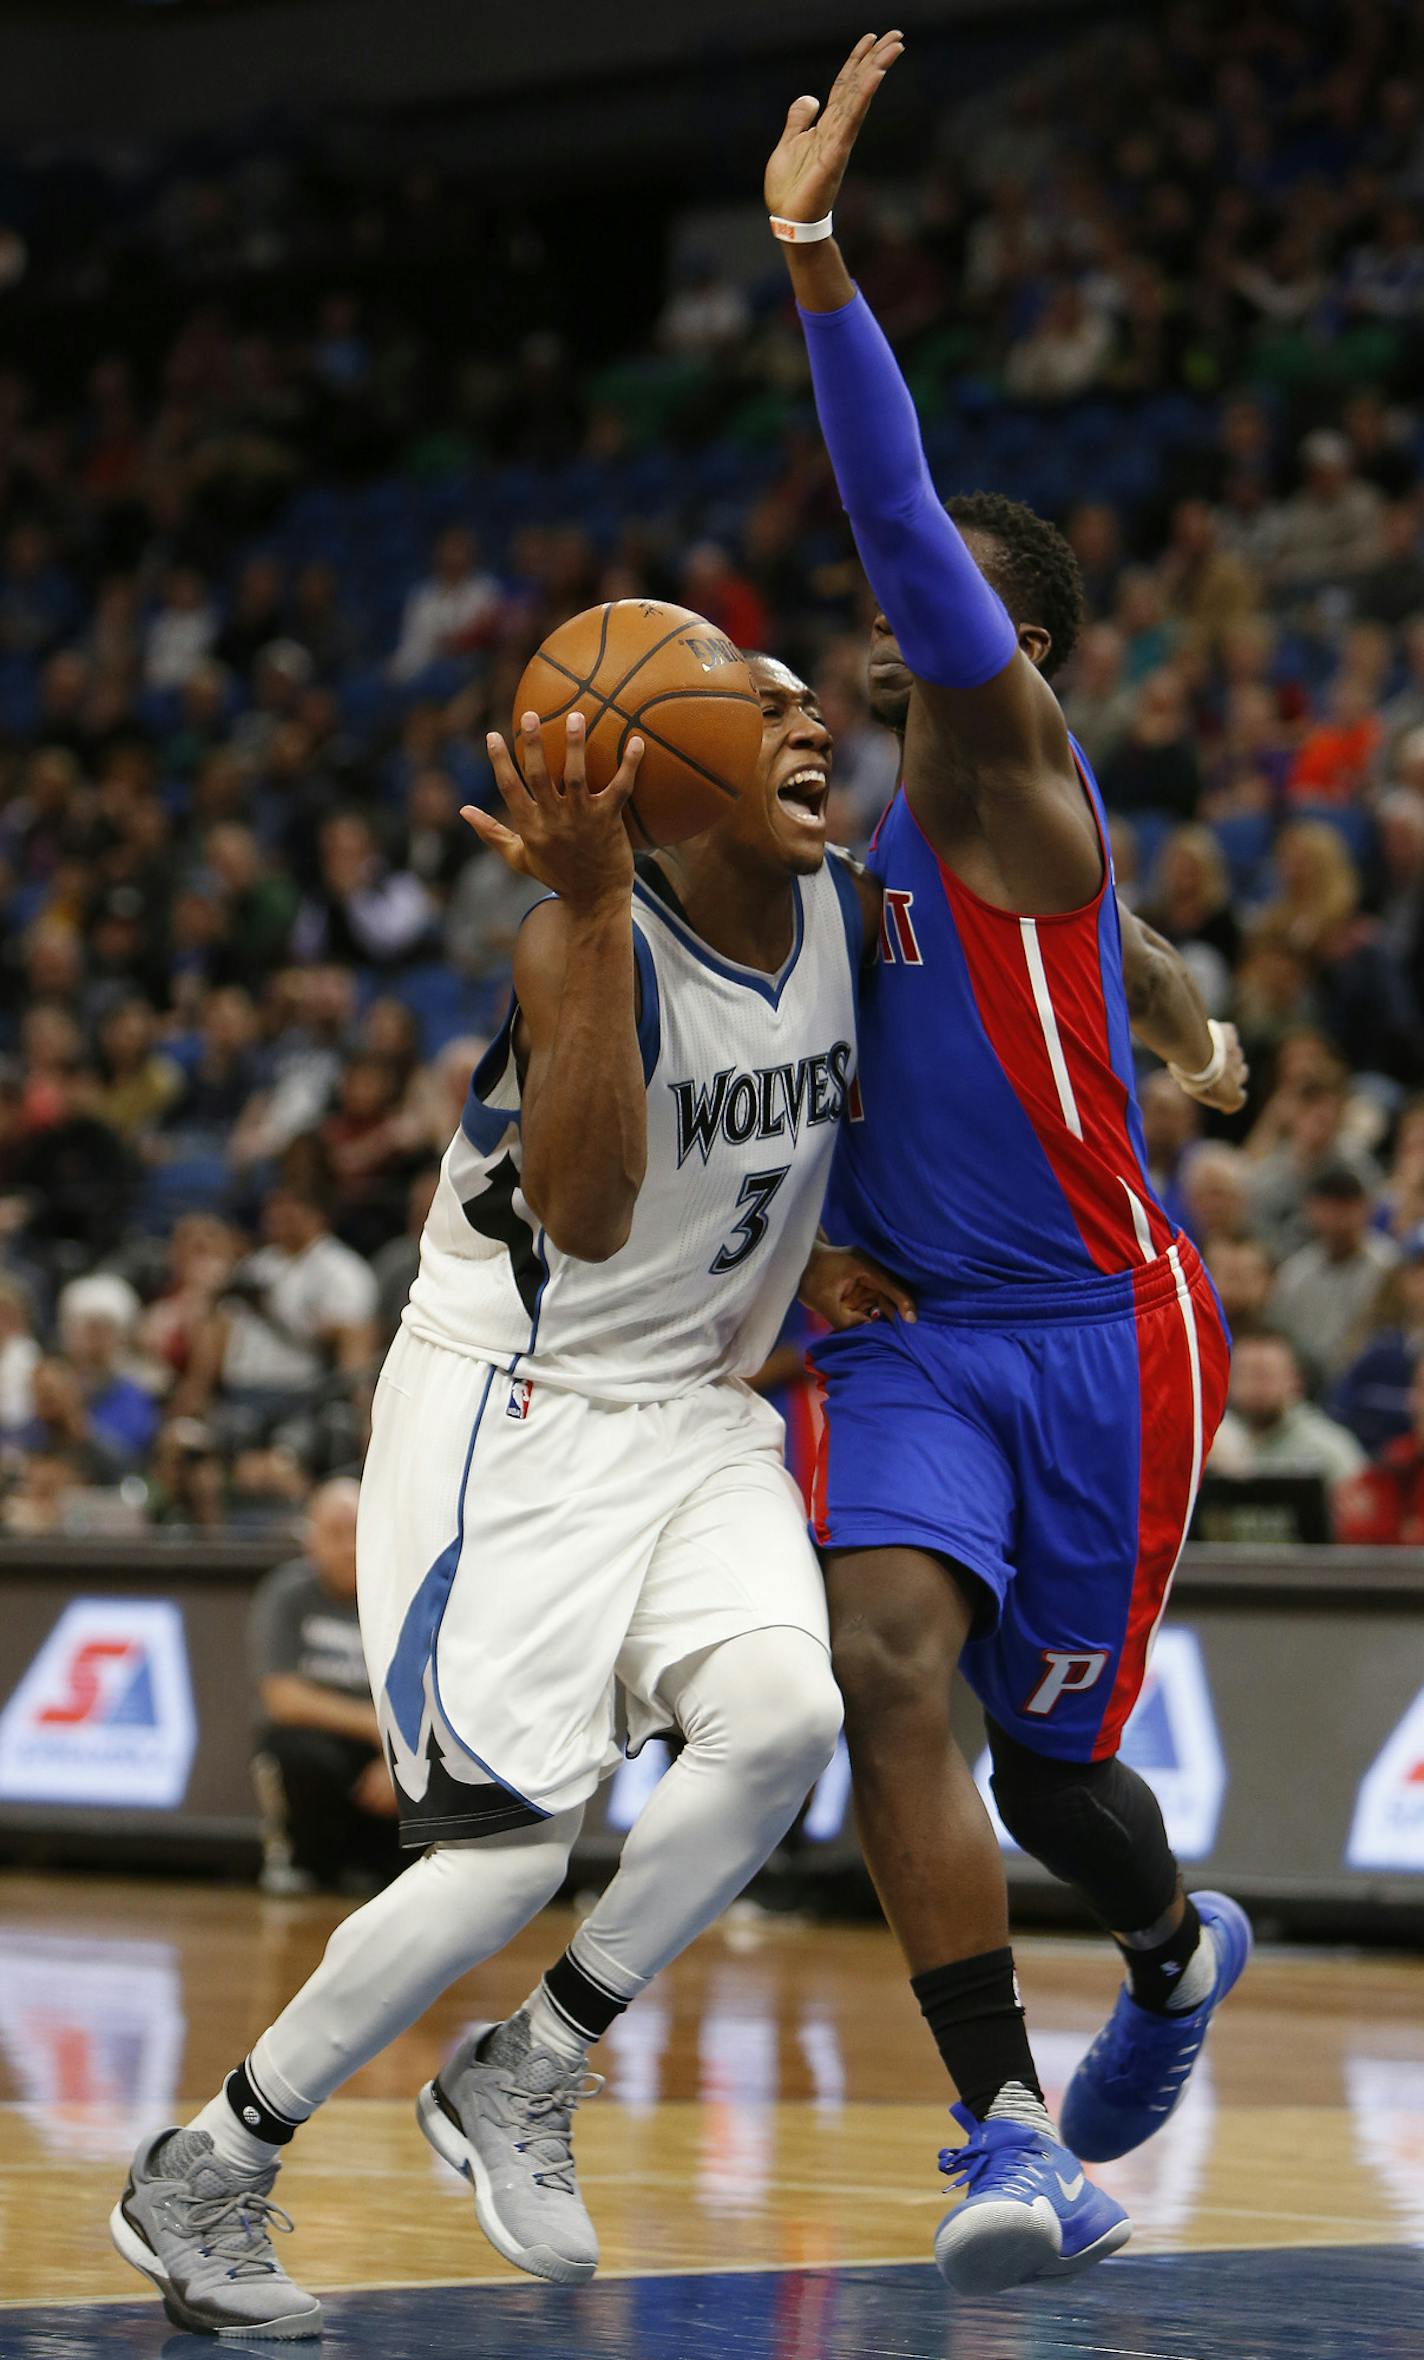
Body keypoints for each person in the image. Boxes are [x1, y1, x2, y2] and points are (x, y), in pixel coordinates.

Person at [111, 657, 906, 2337]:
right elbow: (597, 1207)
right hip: (513, 1410)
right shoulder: (573, 939)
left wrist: (809, 1250)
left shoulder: (843, 906)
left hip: (693, 1403)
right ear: (671, 760)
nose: (808, 723)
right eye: (758, 708)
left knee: (780, 1714)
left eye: (805, 702)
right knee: (495, 1866)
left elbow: (780, 1130)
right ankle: (210, 2163)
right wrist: (603, 912)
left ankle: (527, 2066)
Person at [763, 35, 1250, 2298]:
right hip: (919, 1346)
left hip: (1106, 1336)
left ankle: (1167, 1951)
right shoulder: (878, 849)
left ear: (1013, 653)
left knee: (1058, 1774)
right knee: (882, 1667)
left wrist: (816, 261)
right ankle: (1000, 2130)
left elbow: (898, 526)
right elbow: (1120, 952)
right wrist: (1187, 1013)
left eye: (936, 608)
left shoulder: (1002, 777)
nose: (887, 625)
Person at [249, 1478, 401, 1896]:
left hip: (394, 1747)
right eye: (336, 1533)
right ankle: (305, 1862)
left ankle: (390, 1869)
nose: (349, 1548)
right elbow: (281, 1697)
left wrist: (397, 1754)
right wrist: (374, 1727)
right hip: (334, 1744)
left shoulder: (402, 1595)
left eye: (358, 1532)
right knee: (295, 1751)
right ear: (310, 1539)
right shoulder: (287, 1594)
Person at [1208, 1331, 1366, 1493]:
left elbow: (1360, 1511)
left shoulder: (1330, 1449)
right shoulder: (1211, 1442)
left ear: (1295, 1380)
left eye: (1265, 1374)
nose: (1255, 1387)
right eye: (1245, 1375)